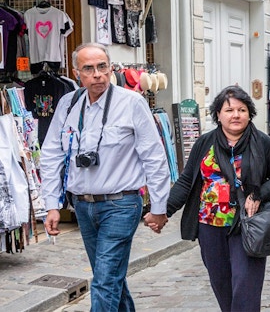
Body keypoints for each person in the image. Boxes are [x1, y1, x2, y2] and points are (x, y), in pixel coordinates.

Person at [40, 43, 171, 312]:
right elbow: (52, 153)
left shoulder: (131, 102)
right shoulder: (68, 104)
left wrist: (159, 208)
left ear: (111, 68)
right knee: (111, 277)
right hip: (83, 206)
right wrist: (52, 204)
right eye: (89, 68)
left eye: (102, 66)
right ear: (77, 73)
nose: (97, 74)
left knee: (104, 281)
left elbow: (154, 157)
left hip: (122, 205)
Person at [164, 85, 270, 312]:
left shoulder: (262, 142)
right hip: (210, 226)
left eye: (242, 110)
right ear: (218, 114)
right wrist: (163, 211)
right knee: (222, 284)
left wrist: (259, 194)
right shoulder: (205, 143)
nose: (236, 115)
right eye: (229, 110)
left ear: (249, 113)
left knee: (246, 287)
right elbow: (186, 181)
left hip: (247, 224)